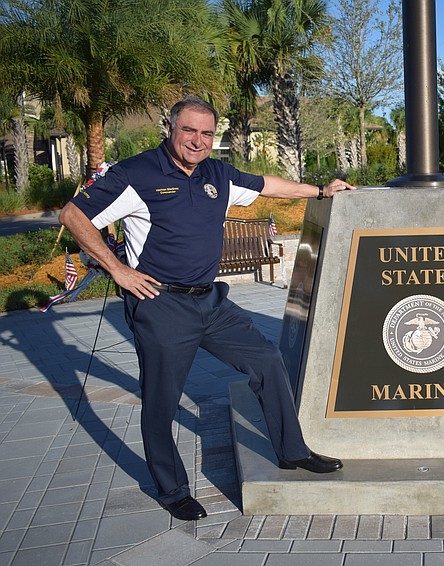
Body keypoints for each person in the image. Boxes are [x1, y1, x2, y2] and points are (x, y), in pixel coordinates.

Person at [59, 96, 355, 521]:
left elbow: (266, 184)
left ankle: (293, 452)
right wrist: (119, 271)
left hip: (211, 301)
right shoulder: (136, 173)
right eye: (189, 131)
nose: (197, 141)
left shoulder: (216, 172)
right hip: (160, 304)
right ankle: (171, 488)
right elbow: (72, 214)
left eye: (206, 133)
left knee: (268, 359)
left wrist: (321, 190)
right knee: (162, 401)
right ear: (170, 129)